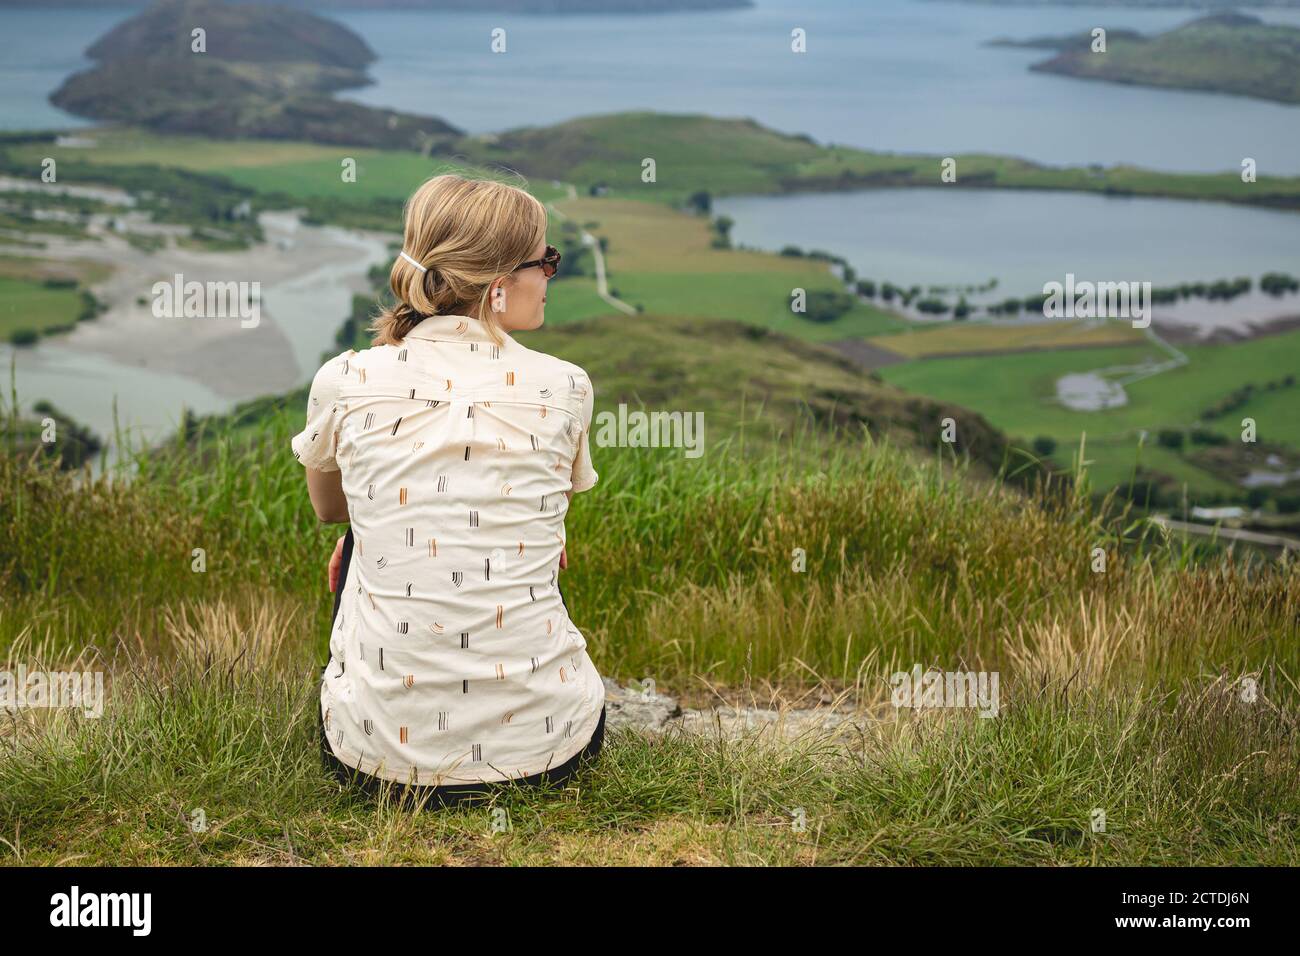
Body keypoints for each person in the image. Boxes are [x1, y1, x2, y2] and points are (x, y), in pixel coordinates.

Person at [291, 173, 606, 808]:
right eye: (545, 261)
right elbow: (544, 518)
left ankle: (390, 702)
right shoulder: (565, 385)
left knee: (357, 546)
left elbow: (330, 510)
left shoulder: (344, 378)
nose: (551, 276)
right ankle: (517, 704)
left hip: (373, 760)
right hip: (552, 755)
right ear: (499, 282)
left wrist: (371, 529)